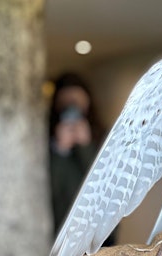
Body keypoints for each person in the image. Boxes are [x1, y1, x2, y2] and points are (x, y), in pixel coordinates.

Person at [48, 73, 116, 245]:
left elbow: (108, 186)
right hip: (58, 233)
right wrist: (60, 150)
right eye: (65, 102)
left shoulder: (104, 136)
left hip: (98, 234)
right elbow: (49, 189)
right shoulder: (46, 139)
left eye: (76, 101)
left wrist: (86, 147)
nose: (72, 107)